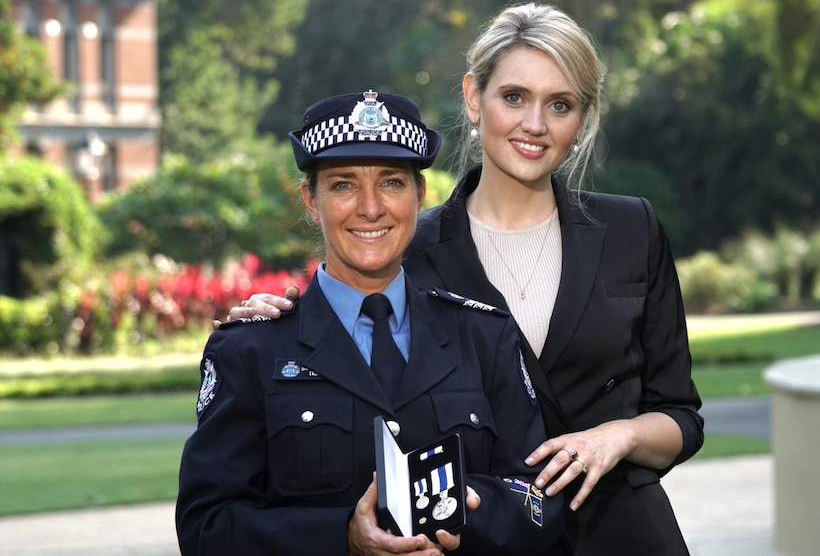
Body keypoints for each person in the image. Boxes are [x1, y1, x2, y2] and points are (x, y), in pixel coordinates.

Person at [222, 2, 703, 555]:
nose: (535, 125)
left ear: (582, 119)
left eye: (561, 104)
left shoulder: (630, 229)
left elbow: (682, 416)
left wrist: (617, 435)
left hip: (625, 538)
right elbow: (336, 334)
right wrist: (274, 318)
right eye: (514, 96)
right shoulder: (405, 244)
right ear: (475, 98)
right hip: (476, 541)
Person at [176, 89, 564, 556]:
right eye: (343, 184)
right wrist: (342, 537)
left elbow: (539, 497)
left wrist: (464, 521)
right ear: (311, 200)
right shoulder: (251, 350)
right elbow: (207, 528)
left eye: (392, 183)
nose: (371, 208)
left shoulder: (484, 336)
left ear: (420, 195)